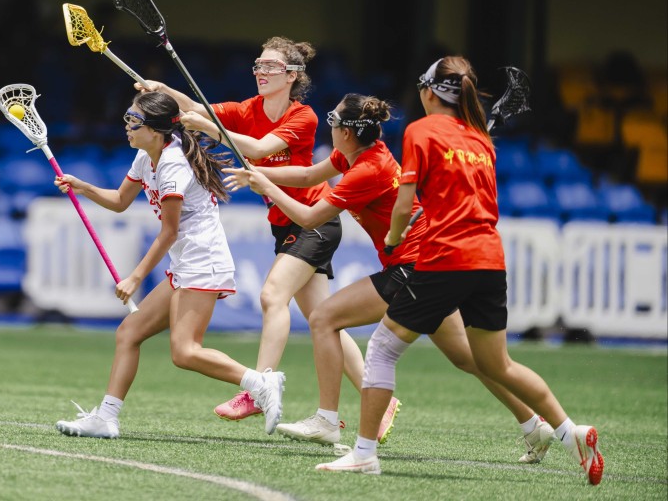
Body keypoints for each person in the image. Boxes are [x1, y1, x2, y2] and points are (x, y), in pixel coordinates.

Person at [317, 57, 603, 484]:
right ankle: (569, 431)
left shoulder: (420, 131)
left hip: (445, 257)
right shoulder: (480, 139)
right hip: (490, 259)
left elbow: (404, 204)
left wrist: (394, 237)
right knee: (496, 364)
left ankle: (363, 454)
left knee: (382, 349)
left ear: (429, 91)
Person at [226, 93, 554, 462]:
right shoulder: (357, 154)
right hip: (428, 263)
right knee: (469, 359)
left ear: (346, 132)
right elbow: (306, 175)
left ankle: (327, 419)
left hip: (412, 267)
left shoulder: (367, 170)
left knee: (324, 319)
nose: (329, 127)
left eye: (333, 121)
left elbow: (308, 218)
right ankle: (532, 423)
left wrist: (266, 187)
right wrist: (258, 173)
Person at [136, 37, 370, 427]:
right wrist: (164, 90)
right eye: (258, 65)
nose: (261, 72)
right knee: (323, 319)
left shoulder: (305, 116)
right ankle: (378, 398)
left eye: (271, 66)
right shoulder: (247, 109)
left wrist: (208, 127)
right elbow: (195, 107)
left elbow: (260, 149)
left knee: (272, 295)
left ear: (292, 75)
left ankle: (258, 389)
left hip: (312, 219)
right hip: (284, 223)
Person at [54, 91, 285, 439]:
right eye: (127, 118)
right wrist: (83, 187)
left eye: (134, 120)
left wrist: (135, 277)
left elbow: (169, 231)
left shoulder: (173, 165)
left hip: (203, 261)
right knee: (129, 333)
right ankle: (106, 418)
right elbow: (120, 200)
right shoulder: (146, 156)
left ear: (156, 129)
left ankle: (260, 383)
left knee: (185, 352)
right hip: (186, 263)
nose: (127, 126)